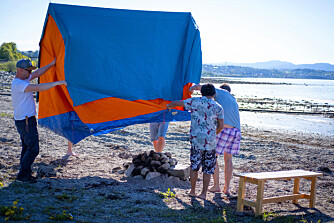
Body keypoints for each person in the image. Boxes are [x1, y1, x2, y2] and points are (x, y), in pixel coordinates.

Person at [11, 58, 67, 183]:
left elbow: (37, 74)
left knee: (27, 147)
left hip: (23, 120)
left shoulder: (22, 79)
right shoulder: (19, 84)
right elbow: (38, 87)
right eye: (28, 70)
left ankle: (24, 172)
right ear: (20, 70)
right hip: (25, 121)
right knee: (33, 149)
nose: (30, 73)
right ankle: (23, 175)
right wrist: (56, 83)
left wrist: (51, 64)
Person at [167, 84, 224, 200]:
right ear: (214, 94)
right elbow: (221, 126)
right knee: (207, 169)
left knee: (194, 166)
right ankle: (203, 193)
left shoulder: (194, 101)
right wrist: (213, 135)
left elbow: (178, 103)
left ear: (201, 93)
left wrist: (169, 105)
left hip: (196, 140)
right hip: (210, 142)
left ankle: (192, 191)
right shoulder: (218, 107)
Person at [190, 83, 241, 195]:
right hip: (236, 130)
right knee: (228, 159)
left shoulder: (221, 92)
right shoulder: (233, 99)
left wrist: (192, 88)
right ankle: (226, 188)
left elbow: (201, 87)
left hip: (223, 130)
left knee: (213, 157)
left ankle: (216, 185)